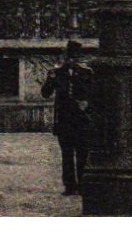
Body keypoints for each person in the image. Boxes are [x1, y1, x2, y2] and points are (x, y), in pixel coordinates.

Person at [39, 40, 93, 195]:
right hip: (64, 120)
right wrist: (50, 79)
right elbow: (45, 93)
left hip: (81, 120)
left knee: (82, 153)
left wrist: (86, 104)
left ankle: (83, 185)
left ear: (78, 57)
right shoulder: (56, 73)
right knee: (67, 154)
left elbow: (94, 95)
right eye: (68, 56)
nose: (70, 60)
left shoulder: (87, 73)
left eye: (73, 56)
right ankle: (69, 186)